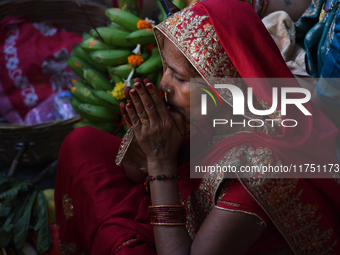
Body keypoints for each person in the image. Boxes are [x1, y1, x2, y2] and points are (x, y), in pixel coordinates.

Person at [55, 0, 340, 254]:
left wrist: (160, 163)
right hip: (181, 209)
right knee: (82, 144)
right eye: (165, 67)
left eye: (179, 78)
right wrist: (147, 132)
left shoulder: (260, 167)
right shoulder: (213, 110)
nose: (164, 84)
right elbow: (133, 174)